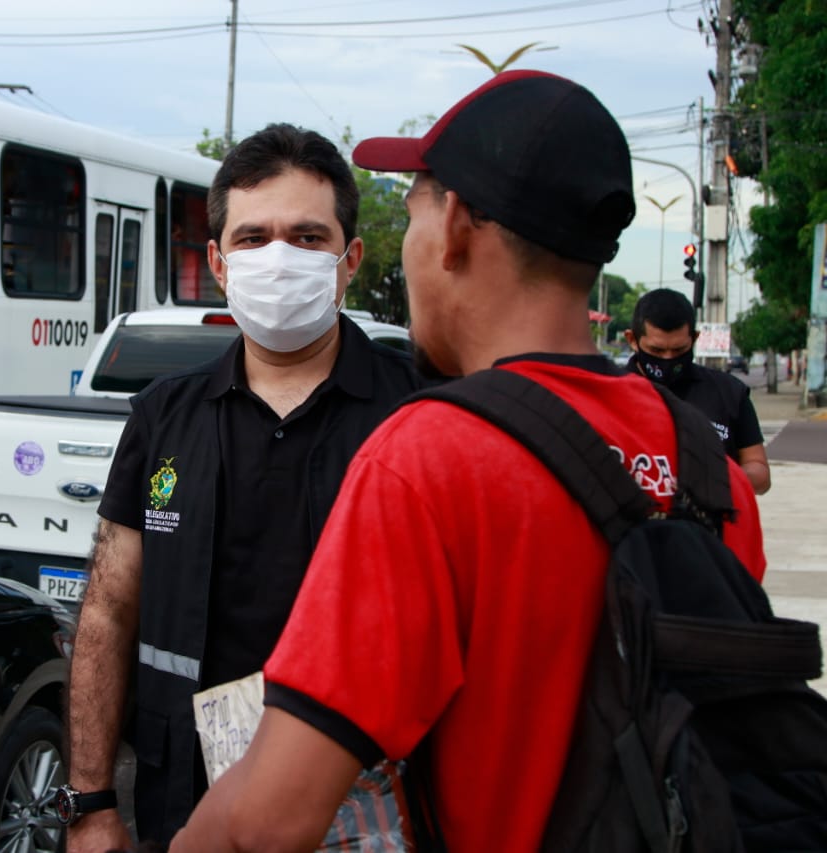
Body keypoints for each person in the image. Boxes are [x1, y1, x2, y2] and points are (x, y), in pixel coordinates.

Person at [172, 70, 766, 852]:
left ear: (451, 226)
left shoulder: (428, 461)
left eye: (414, 205)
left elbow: (269, 818)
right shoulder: (706, 468)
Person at [64, 123, 423, 850]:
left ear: (349, 260)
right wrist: (92, 800)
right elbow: (107, 609)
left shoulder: (417, 415)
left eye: (307, 237)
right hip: (188, 801)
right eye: (253, 238)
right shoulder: (163, 417)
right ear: (219, 264)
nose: (278, 258)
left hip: (373, 808)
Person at [625, 288, 771, 494]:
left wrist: (716, 477)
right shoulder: (608, 391)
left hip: (710, 522)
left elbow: (760, 473)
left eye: (678, 350)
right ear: (632, 340)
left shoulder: (728, 392)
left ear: (694, 338)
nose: (668, 359)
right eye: (656, 351)